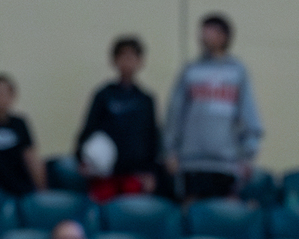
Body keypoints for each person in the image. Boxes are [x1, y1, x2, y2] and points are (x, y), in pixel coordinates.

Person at [164, 13, 263, 199]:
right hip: (191, 162)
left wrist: (248, 155)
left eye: (209, 31)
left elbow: (249, 115)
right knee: (192, 213)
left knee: (221, 217)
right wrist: (170, 151)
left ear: (223, 36)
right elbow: (174, 113)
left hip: (226, 163)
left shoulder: (237, 72)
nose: (203, 36)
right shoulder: (191, 70)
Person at [75, 36, 160, 196]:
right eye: (123, 56)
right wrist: (82, 158)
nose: (127, 61)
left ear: (140, 61)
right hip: (104, 174)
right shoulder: (103, 95)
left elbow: (152, 137)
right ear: (114, 60)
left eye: (132, 56)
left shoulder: (146, 100)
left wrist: (151, 172)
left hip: (135, 174)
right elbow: (88, 129)